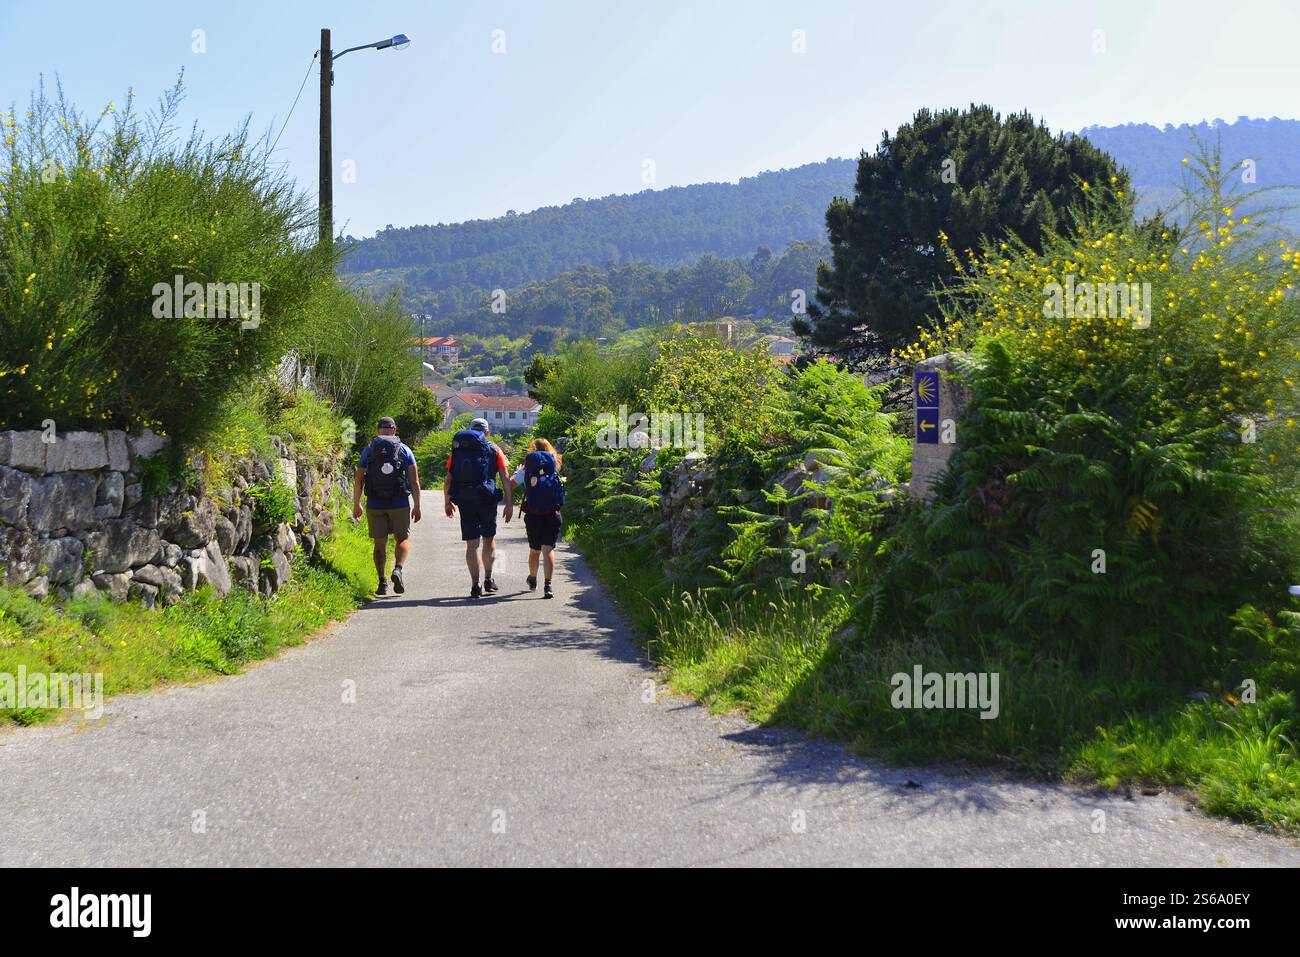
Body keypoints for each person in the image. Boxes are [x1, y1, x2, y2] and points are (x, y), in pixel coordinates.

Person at [444, 417, 513, 599]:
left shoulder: (459, 450)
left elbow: (448, 478)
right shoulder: (494, 449)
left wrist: (447, 500)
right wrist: (509, 502)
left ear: (471, 430)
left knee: (472, 544)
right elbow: (505, 477)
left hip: (465, 499)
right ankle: (489, 579)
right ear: (487, 432)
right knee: (488, 540)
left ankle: (475, 585)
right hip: (486, 499)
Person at [352, 416, 421, 596]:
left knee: (379, 544)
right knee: (402, 540)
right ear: (394, 430)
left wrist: (356, 504)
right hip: (399, 503)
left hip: (375, 503)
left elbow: (358, 480)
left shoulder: (369, 450)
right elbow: (414, 482)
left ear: (378, 430)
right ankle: (398, 569)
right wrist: (417, 505)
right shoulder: (405, 450)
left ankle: (382, 582)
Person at [510, 437, 565, 599]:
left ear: (532, 450)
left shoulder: (528, 468)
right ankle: (548, 585)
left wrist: (515, 473)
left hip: (533, 514)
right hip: (553, 514)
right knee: (548, 549)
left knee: (535, 550)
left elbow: (511, 484)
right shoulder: (554, 466)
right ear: (550, 450)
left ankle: (533, 578)